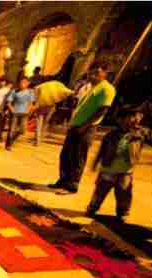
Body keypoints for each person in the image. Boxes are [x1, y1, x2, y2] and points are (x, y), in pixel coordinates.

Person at [50, 62, 116, 193]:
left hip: (87, 127)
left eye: (96, 73)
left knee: (78, 156)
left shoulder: (107, 88)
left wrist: (85, 126)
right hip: (75, 125)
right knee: (66, 155)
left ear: (104, 73)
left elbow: (102, 110)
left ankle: (72, 184)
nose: (92, 75)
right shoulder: (91, 87)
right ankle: (63, 180)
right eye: (91, 72)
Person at [86, 107, 145, 221]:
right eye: (131, 117)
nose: (135, 120)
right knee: (100, 192)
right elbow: (102, 150)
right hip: (108, 169)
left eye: (137, 117)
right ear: (120, 120)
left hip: (126, 171)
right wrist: (95, 163)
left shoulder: (139, 135)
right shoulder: (110, 135)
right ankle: (92, 208)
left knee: (124, 194)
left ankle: (123, 213)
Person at [5, 77, 36, 150]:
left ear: (28, 83)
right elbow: (9, 102)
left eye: (25, 82)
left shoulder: (30, 92)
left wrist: (29, 110)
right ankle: (8, 144)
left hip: (24, 113)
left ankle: (12, 139)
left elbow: (31, 103)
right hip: (15, 112)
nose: (22, 84)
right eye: (21, 82)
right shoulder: (14, 91)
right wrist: (12, 109)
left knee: (23, 130)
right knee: (12, 129)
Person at [0, 77, 12, 144]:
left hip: (3, 110)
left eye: (3, 81)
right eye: (1, 81)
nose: (2, 83)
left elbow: (9, 100)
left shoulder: (7, 90)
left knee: (1, 124)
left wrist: (7, 109)